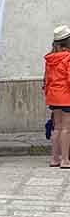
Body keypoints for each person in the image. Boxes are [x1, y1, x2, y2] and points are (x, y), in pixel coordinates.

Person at [44, 25, 70, 168]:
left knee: (57, 128)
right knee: (67, 128)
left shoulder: (50, 59)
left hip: (53, 96)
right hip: (66, 96)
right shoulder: (68, 58)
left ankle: (54, 159)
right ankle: (65, 160)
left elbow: (47, 79)